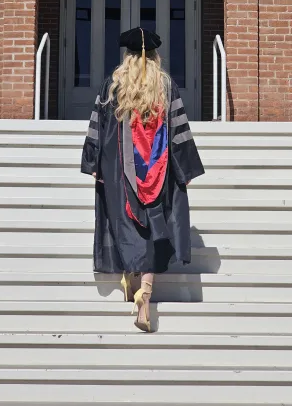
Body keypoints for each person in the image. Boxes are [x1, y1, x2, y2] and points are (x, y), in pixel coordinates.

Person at [81, 27, 205, 332]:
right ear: (155, 57)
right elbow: (178, 130)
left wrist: (93, 162)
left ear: (128, 57)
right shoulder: (165, 87)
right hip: (158, 172)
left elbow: (97, 125)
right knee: (153, 229)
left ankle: (129, 277)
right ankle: (145, 295)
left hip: (118, 172)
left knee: (124, 224)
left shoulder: (113, 85)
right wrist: (185, 170)